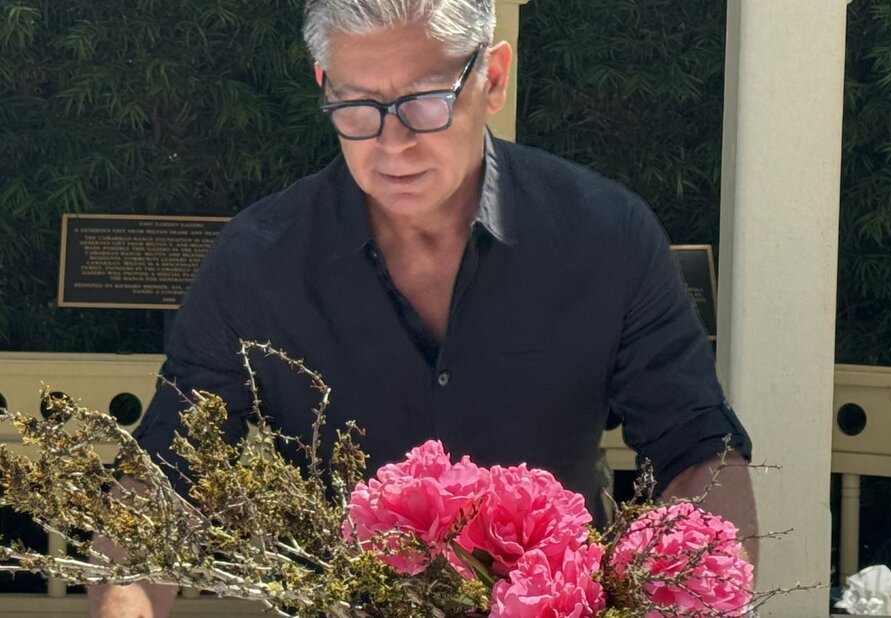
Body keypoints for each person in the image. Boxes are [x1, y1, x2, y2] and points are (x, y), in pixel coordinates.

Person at [88, 1, 756, 616]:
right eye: (355, 106)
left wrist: (686, 590)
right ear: (323, 83)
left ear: (492, 79)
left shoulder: (605, 237)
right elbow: (165, 478)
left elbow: (699, 452)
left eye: (426, 101)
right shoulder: (257, 264)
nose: (392, 143)